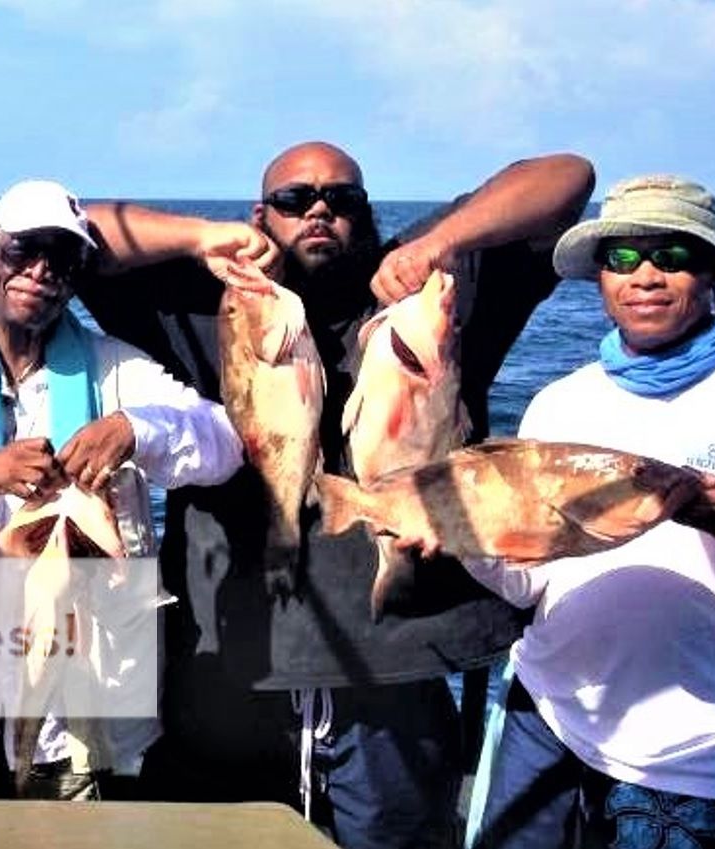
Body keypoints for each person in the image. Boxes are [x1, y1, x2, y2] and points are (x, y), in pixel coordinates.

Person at [76, 143, 595, 848]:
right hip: (232, 664)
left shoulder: (426, 283)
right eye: (293, 200)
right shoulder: (212, 293)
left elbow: (567, 179)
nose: (318, 210)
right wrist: (202, 236)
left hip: (398, 659)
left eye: (341, 199)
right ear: (260, 215)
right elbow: (76, 233)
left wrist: (439, 243)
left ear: (366, 212)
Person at [0, 179, 243, 799]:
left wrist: (135, 429)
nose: (41, 270)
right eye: (23, 249)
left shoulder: (117, 367)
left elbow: (226, 442)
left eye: (63, 258)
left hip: (76, 715)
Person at [468, 175, 715, 849]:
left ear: (710, 271)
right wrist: (463, 535)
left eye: (672, 255)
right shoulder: (559, 401)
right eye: (622, 257)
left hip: (691, 753)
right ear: (600, 278)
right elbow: (527, 577)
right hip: (546, 711)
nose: (645, 275)